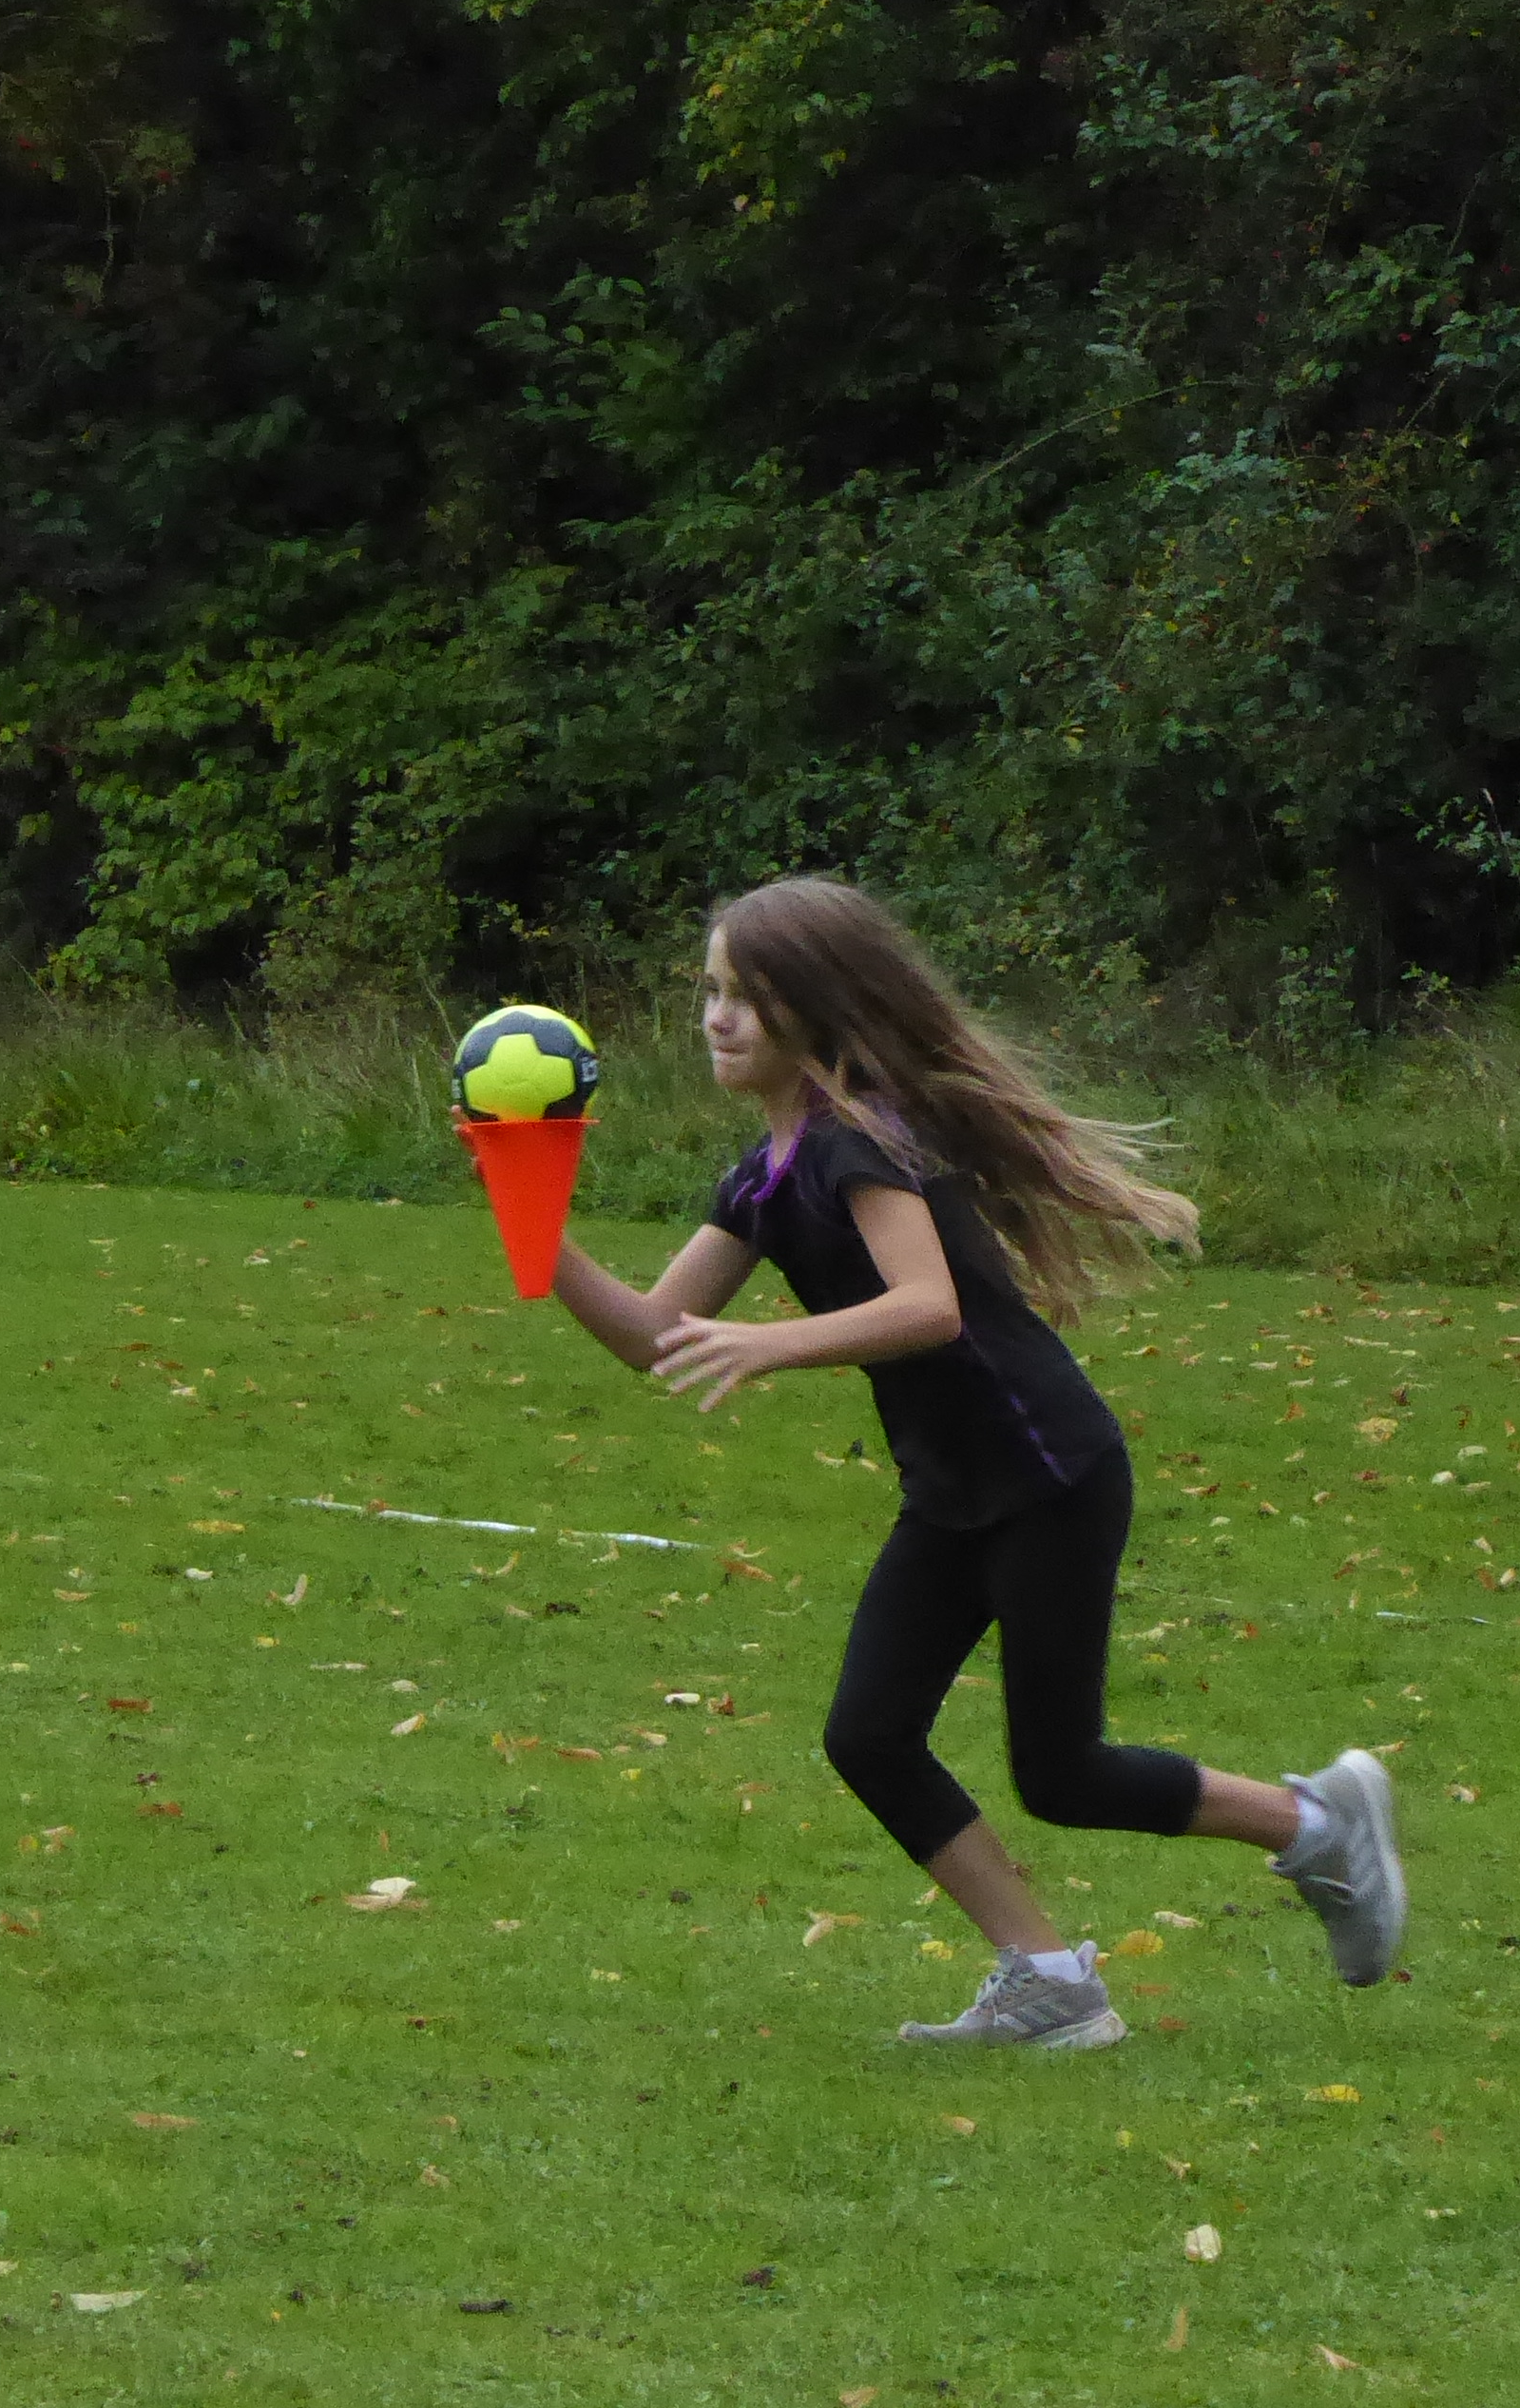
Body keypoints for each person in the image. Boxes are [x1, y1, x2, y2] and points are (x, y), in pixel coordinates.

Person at [545, 876, 1406, 2048]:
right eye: (709, 990)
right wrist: (532, 1223)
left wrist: (770, 1343)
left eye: (748, 994)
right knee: (868, 1735)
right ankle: (1048, 1978)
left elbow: (928, 1306)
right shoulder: (765, 1176)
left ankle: (1314, 1825)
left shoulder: (859, 1141)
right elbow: (654, 1338)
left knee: (1063, 1773)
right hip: (953, 1491)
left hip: (1047, 1473)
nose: (717, 1017)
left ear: (815, 1006)